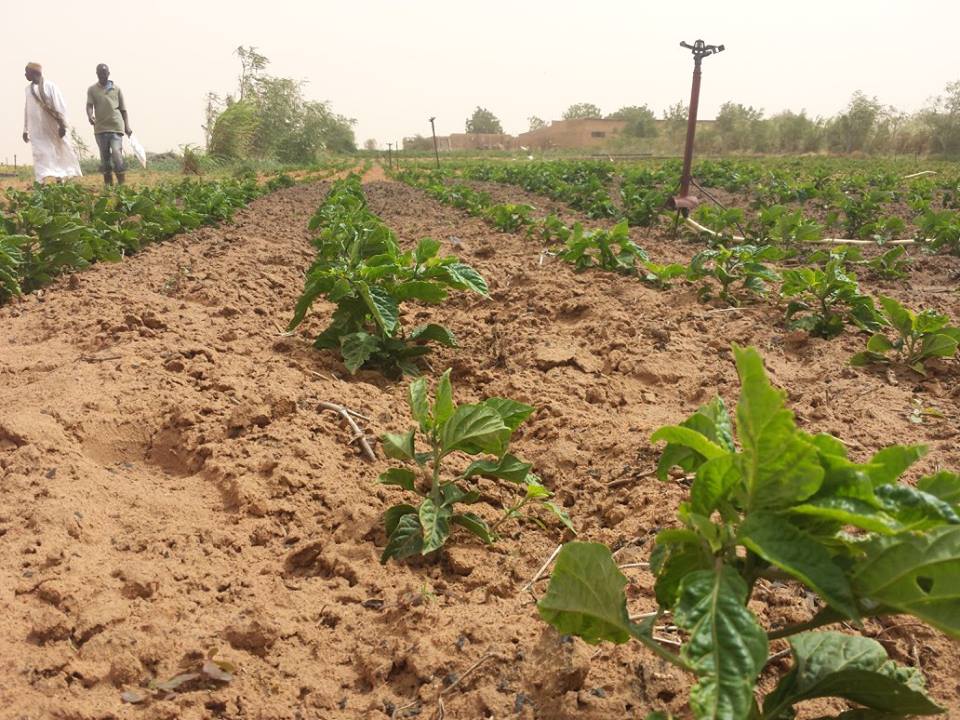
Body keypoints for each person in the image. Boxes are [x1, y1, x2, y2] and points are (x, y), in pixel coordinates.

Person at [22, 62, 82, 183]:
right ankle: (40, 182)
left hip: (52, 129)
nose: (25, 75)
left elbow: (60, 107)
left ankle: (60, 179)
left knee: (56, 153)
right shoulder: (28, 90)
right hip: (36, 132)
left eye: (27, 72)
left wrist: (62, 125)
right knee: (39, 155)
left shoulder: (50, 86)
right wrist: (25, 129)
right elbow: (27, 109)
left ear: (34, 73)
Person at [86, 63, 132, 186]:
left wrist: (127, 126)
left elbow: (123, 110)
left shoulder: (116, 89)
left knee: (117, 154)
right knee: (105, 158)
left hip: (116, 127)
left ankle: (122, 184)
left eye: (105, 73)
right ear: (97, 74)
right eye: (100, 73)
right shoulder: (92, 90)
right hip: (100, 128)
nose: (103, 76)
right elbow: (89, 105)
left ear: (108, 74)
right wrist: (90, 116)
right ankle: (108, 185)